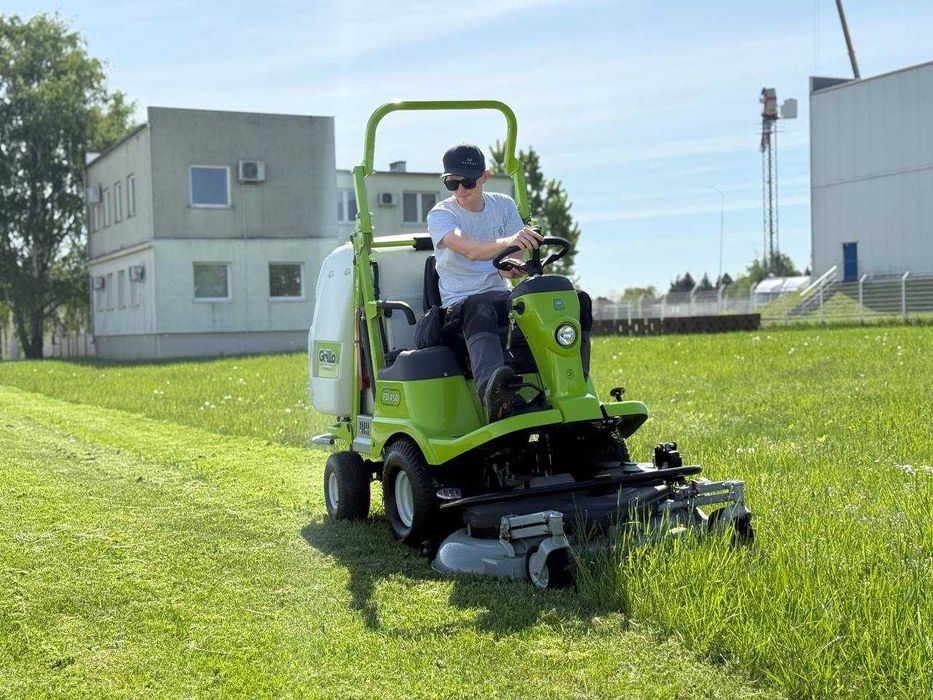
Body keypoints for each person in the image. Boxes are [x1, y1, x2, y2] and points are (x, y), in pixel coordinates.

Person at [425, 143, 592, 423]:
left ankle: (574, 384)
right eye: (451, 183)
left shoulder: (502, 205)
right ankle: (495, 397)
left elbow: (512, 259)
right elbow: (469, 249)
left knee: (577, 299)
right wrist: (511, 241)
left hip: (501, 298)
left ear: (485, 177)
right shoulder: (442, 215)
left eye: (467, 181)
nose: (460, 190)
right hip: (458, 306)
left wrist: (514, 268)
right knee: (481, 306)